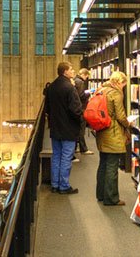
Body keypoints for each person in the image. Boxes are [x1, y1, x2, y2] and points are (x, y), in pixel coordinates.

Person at [44, 61, 83, 194]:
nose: (73, 71)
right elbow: (76, 109)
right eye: (71, 69)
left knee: (56, 156)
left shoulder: (52, 86)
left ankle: (55, 184)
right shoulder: (69, 88)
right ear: (65, 71)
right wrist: (80, 120)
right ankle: (64, 186)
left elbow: (47, 108)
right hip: (68, 128)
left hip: (55, 128)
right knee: (66, 156)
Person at [95, 70, 131, 206]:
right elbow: (120, 116)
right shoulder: (116, 93)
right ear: (119, 82)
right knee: (112, 166)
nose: (124, 87)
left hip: (102, 131)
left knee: (103, 164)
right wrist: (129, 124)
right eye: (123, 84)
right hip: (113, 133)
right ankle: (111, 198)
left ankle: (100, 194)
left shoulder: (102, 90)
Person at [72, 68, 94, 155]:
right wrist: (89, 93)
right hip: (81, 107)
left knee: (78, 128)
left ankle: (75, 148)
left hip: (77, 107)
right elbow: (81, 95)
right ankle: (83, 149)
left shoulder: (75, 80)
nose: (86, 78)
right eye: (87, 76)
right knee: (81, 129)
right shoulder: (80, 82)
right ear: (84, 75)